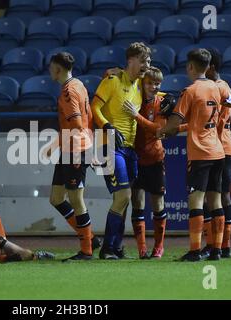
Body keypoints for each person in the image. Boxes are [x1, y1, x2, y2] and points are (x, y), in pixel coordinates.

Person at [158, 48, 231, 261]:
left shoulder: (189, 91)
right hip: (218, 151)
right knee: (216, 200)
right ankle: (218, 250)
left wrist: (160, 130)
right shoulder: (217, 87)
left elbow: (173, 125)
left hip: (200, 152)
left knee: (196, 200)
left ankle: (194, 251)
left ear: (191, 66)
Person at [91, 42, 151, 260]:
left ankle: (116, 246)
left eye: (149, 61)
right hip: (108, 144)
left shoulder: (139, 85)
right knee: (124, 195)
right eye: (143, 61)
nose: (147, 65)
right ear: (131, 61)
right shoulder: (112, 81)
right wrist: (107, 126)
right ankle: (107, 247)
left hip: (129, 149)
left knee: (124, 198)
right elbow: (94, 107)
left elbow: (157, 84)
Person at [122, 66, 184, 259]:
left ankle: (159, 247)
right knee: (137, 203)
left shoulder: (162, 103)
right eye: (150, 83)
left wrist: (136, 116)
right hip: (135, 158)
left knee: (158, 204)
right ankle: (142, 248)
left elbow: (158, 130)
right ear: (143, 82)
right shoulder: (135, 99)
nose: (154, 87)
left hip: (156, 158)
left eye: (157, 83)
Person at [47, 52, 100, 260]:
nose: (50, 71)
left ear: (58, 69)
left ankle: (86, 250)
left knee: (76, 200)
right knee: (56, 198)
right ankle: (90, 239)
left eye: (51, 67)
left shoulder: (68, 91)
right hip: (71, 149)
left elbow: (77, 124)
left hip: (76, 150)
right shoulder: (78, 83)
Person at [201, 48, 231, 259]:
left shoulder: (214, 87)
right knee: (223, 195)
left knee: (211, 196)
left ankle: (214, 245)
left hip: (217, 147)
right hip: (226, 145)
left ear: (211, 67)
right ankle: (224, 245)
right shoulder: (224, 86)